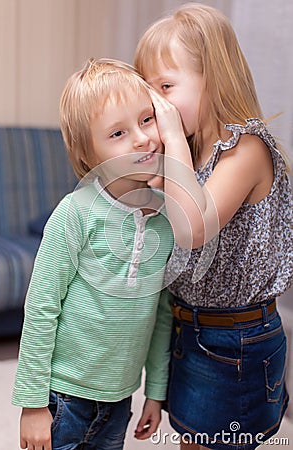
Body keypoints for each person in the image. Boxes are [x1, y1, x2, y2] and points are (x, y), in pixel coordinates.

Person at [135, 3, 293, 450]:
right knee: (192, 441)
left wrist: (169, 144)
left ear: (215, 77)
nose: (157, 104)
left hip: (235, 342)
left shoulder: (245, 149)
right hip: (192, 329)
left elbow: (193, 228)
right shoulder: (189, 152)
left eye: (166, 87)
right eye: (151, 93)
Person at [12, 58, 174, 450]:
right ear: (89, 152)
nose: (141, 138)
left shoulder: (169, 219)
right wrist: (33, 404)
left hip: (120, 399)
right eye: (118, 132)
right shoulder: (76, 212)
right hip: (62, 397)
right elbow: (41, 307)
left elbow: (162, 312)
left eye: (147, 120)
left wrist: (155, 390)